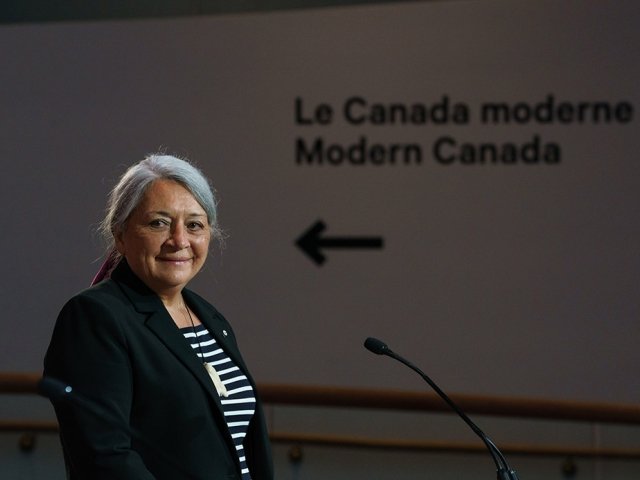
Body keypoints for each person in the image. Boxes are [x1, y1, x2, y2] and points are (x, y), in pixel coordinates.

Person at [43, 154, 273, 480]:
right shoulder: (95, 317)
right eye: (158, 223)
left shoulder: (211, 319)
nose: (179, 240)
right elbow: (104, 458)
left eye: (194, 225)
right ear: (120, 234)